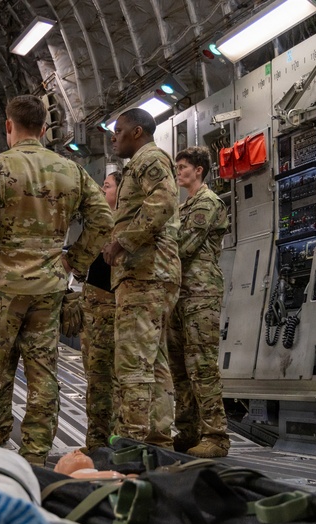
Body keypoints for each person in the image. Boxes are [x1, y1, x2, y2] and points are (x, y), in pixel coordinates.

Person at [0, 95, 113, 465]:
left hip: (1, 289)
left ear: (8, 126)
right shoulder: (70, 171)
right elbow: (103, 221)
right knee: (43, 373)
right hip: (48, 289)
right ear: (45, 129)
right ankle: (35, 456)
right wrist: (73, 261)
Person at [101, 109, 180, 449]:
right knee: (155, 361)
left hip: (145, 273)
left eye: (118, 131)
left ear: (136, 132)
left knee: (132, 359)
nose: (113, 137)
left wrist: (123, 241)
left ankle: (131, 441)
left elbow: (162, 203)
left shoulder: (150, 159)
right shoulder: (140, 163)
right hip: (150, 274)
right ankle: (158, 438)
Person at [169, 147, 230, 457]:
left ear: (199, 171)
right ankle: (189, 430)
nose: (179, 172)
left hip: (200, 293)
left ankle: (216, 436)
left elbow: (183, 245)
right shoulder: (185, 206)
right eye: (177, 167)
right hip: (180, 293)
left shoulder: (207, 203)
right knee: (179, 368)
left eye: (183, 167)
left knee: (201, 365)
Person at [80, 172, 120, 451]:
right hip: (92, 302)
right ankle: (96, 439)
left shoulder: (124, 225)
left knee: (108, 376)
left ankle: (114, 438)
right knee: (94, 376)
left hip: (110, 303)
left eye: (107, 186)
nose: (101, 189)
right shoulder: (101, 220)